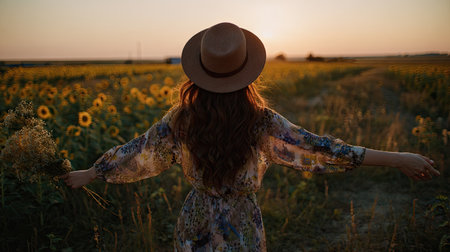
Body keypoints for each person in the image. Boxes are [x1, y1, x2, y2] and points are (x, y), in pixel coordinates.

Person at [61, 22, 440, 251]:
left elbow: (138, 154)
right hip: (241, 227)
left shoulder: (181, 121)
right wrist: (398, 157)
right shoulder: (262, 123)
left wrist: (91, 173)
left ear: (199, 73)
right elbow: (324, 151)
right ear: (247, 74)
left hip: (194, 226)